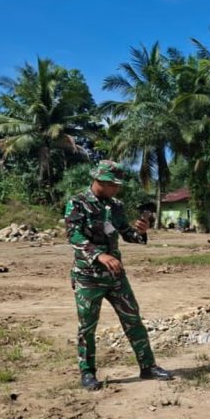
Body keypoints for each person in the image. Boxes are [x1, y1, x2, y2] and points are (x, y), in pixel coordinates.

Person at [65, 160, 173, 390]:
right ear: (100, 181)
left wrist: (140, 232)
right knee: (87, 326)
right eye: (113, 184)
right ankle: (87, 373)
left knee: (133, 319)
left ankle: (148, 367)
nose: (117, 188)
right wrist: (99, 255)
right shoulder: (77, 203)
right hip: (88, 276)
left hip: (115, 276)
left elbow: (125, 233)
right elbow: (74, 236)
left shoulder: (116, 206)